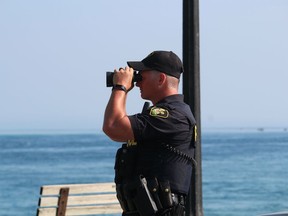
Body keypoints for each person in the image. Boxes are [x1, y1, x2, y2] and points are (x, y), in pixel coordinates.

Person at [103, 50, 196, 216]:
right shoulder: (164, 114)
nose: (137, 83)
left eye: (142, 76)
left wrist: (120, 87)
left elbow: (113, 126)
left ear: (161, 79)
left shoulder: (173, 116)